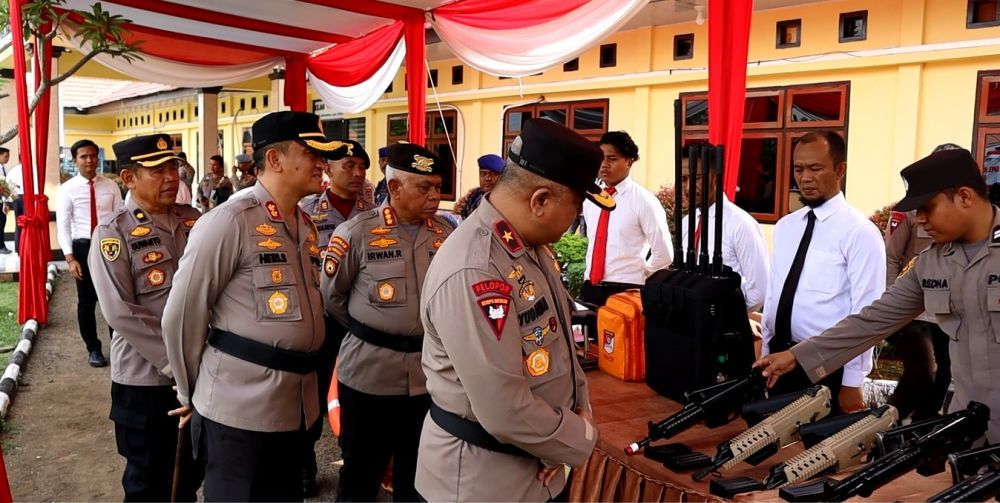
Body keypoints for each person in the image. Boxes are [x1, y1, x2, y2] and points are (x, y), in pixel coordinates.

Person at [163, 111, 348, 501]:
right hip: (239, 408)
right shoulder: (229, 221)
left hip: (294, 407)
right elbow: (182, 315)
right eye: (311, 153)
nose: (322, 163)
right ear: (275, 159)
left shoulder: (304, 224)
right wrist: (191, 391)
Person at [416, 119, 603, 501]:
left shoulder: (527, 247)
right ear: (540, 200)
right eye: (576, 206)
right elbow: (504, 409)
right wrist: (578, 438)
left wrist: (570, 425)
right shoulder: (476, 269)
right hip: (483, 483)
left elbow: (559, 348)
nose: (575, 219)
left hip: (539, 470)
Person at [757, 147, 1000, 441]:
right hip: (969, 427)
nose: (919, 219)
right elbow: (873, 320)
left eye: (927, 208)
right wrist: (798, 355)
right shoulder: (932, 263)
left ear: (964, 197)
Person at [322, 142, 453, 502]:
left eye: (438, 187)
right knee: (360, 475)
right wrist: (378, 329)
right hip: (369, 376)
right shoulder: (356, 232)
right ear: (394, 187)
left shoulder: (446, 234)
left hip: (428, 375)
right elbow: (333, 299)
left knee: (418, 476)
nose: (434, 196)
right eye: (424, 187)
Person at [88, 134, 204, 501]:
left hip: (202, 374)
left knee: (189, 476)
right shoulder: (112, 233)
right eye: (157, 170)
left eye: (173, 166)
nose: (171, 176)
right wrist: (179, 365)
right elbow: (120, 312)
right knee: (148, 482)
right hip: (147, 381)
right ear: (129, 178)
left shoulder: (194, 221)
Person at [760, 131, 885, 414]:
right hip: (780, 360)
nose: (805, 178)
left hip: (827, 366)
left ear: (840, 170)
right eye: (798, 169)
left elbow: (867, 314)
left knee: (819, 442)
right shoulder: (786, 227)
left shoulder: (859, 233)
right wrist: (767, 351)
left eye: (815, 168)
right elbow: (774, 295)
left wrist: (852, 381)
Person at [297, 138, 375, 496]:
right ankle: (305, 463)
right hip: (322, 317)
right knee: (312, 394)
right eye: (349, 166)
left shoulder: (376, 210)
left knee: (358, 395)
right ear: (328, 168)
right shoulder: (306, 210)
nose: (357, 173)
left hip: (364, 319)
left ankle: (354, 461)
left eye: (362, 167)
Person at [882, 143, 961, 421]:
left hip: (946, 310)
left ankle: (921, 428)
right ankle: (885, 427)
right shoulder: (909, 211)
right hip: (913, 310)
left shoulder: (959, 213)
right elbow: (891, 259)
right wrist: (893, 308)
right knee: (923, 372)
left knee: (946, 373)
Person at [581, 130, 672, 306]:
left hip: (626, 290)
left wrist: (639, 275)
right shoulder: (591, 198)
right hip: (591, 287)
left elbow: (664, 254)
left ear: (629, 162)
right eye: (601, 158)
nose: (604, 164)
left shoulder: (644, 201)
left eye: (612, 159)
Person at [56, 139, 124, 367]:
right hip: (82, 247)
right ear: (75, 160)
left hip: (109, 245)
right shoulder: (67, 189)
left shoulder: (111, 186)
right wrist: (70, 258)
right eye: (83, 156)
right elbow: (63, 226)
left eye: (93, 155)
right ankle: (93, 348)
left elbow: (120, 218)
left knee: (115, 297)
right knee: (86, 300)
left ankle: (120, 347)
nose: (89, 160)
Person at [679, 147, 770, 311]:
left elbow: (760, 291)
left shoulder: (741, 224)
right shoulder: (687, 223)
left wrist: (726, 315)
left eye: (697, 178)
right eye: (683, 179)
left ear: (716, 178)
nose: (688, 187)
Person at [454, 153, 505, 219]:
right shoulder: (473, 196)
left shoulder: (505, 200)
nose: (487, 178)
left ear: (501, 177)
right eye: (483, 174)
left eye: (493, 174)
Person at [0, 147, 11, 254]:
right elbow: (2, 187)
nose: (7, 159)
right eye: (6, 156)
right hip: (1, 200)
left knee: (2, 223)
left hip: (3, 199)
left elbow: (6, 186)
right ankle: (1, 246)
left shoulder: (4, 169)